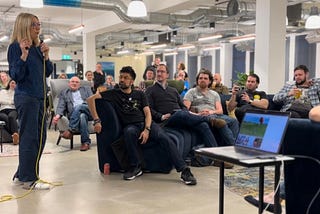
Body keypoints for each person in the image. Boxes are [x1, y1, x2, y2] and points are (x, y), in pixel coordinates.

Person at [87, 66, 197, 185]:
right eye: (121, 77)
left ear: (132, 81)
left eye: (126, 78)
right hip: (131, 126)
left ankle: (184, 170)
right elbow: (90, 100)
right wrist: (97, 120)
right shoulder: (113, 93)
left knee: (164, 138)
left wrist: (147, 129)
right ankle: (135, 167)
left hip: (146, 124)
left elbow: (147, 113)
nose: (122, 80)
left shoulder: (139, 94)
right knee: (128, 132)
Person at [8, 13, 53, 190]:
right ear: (25, 26)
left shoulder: (38, 48)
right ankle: (29, 179)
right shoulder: (15, 47)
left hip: (40, 97)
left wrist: (47, 56)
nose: (38, 27)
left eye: (39, 24)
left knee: (40, 137)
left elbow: (47, 72)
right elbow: (16, 75)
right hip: (26, 97)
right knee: (30, 137)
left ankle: (22, 173)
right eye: (34, 24)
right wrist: (24, 54)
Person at [145, 64, 226, 150]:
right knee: (179, 113)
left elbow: (183, 107)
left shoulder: (173, 90)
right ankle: (209, 120)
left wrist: (187, 112)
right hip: (165, 120)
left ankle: (215, 154)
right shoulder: (150, 90)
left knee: (203, 125)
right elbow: (148, 109)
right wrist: (161, 116)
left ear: (167, 75)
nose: (159, 74)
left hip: (180, 116)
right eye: (158, 71)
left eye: (162, 72)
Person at [183, 69, 239, 146]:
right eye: (200, 78)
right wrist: (198, 114)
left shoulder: (214, 94)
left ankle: (232, 146)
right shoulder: (191, 92)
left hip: (214, 114)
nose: (202, 80)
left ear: (210, 81)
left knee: (234, 121)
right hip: (200, 116)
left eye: (205, 78)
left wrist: (210, 112)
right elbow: (185, 110)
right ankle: (233, 147)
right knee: (221, 123)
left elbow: (220, 111)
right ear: (197, 80)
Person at [52, 76, 93, 151]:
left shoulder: (86, 89)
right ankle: (85, 143)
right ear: (69, 83)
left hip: (88, 110)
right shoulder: (64, 93)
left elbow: (92, 101)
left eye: (77, 82)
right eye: (72, 82)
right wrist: (57, 116)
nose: (74, 83)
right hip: (76, 114)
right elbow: (61, 105)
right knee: (82, 116)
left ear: (79, 84)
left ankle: (71, 130)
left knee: (79, 106)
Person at [0, 79, 19, 145]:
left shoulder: (17, 93)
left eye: (15, 84)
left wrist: (7, 101)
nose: (13, 85)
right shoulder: (3, 91)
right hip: (2, 110)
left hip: (13, 110)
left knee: (11, 117)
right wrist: (11, 102)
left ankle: (15, 136)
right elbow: (1, 100)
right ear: (9, 83)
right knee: (5, 118)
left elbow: (16, 103)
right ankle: (15, 135)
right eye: (12, 83)